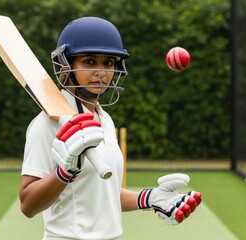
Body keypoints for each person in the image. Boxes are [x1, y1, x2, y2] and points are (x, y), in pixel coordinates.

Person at [19, 16, 203, 240]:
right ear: (65, 65)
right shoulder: (47, 124)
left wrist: (150, 198)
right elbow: (28, 204)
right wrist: (64, 173)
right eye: (89, 61)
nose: (101, 71)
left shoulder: (103, 119)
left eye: (108, 63)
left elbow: (103, 197)